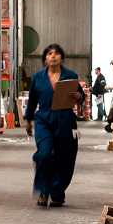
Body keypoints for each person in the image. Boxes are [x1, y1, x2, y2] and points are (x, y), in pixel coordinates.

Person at [24, 43, 83, 207]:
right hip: (43, 119)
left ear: (61, 57)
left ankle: (57, 193)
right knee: (43, 154)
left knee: (65, 158)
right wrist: (28, 120)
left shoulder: (70, 75)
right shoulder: (38, 77)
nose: (53, 55)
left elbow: (81, 96)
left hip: (65, 119)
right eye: (49, 53)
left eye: (57, 53)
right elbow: (32, 100)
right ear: (45, 58)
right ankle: (44, 191)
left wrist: (78, 97)